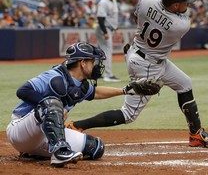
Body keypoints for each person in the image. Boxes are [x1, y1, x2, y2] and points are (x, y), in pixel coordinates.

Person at [66, 0, 208, 148]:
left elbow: (154, 1)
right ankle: (77, 125)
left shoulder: (147, 0)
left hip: (143, 54)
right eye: (185, 3)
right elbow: (162, 5)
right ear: (176, 5)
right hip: (148, 66)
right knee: (128, 114)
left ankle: (196, 134)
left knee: (184, 83)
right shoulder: (181, 25)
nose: (188, 5)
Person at [6, 42, 141, 167]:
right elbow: (23, 91)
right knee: (53, 103)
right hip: (22, 131)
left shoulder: (80, 85)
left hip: (43, 139)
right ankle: (59, 152)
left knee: (95, 148)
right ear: (82, 63)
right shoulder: (53, 76)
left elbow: (96, 93)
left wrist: (125, 90)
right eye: (92, 61)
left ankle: (34, 153)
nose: (96, 65)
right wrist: (48, 106)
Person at [96, 0, 120, 82]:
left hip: (109, 28)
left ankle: (96, 73)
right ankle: (108, 75)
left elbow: (112, 17)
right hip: (104, 28)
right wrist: (105, 32)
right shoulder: (103, 2)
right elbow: (100, 18)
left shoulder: (113, 1)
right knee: (107, 51)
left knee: (99, 52)